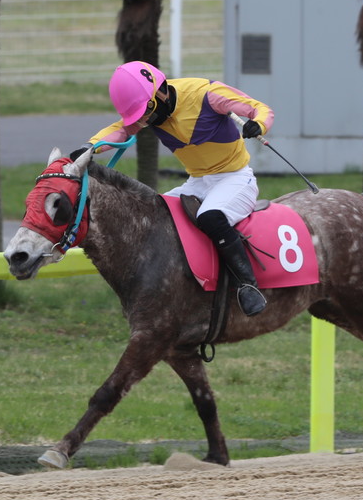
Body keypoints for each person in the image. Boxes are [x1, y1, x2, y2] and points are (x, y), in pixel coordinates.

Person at [83, 61, 275, 316]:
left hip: (235, 179)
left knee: (211, 217)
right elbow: (119, 130)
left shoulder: (206, 93)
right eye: (141, 116)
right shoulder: (148, 108)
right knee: (152, 212)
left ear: (160, 91)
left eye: (147, 112)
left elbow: (260, 110)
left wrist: (258, 124)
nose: (146, 120)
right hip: (198, 182)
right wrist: (90, 147)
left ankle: (248, 286)